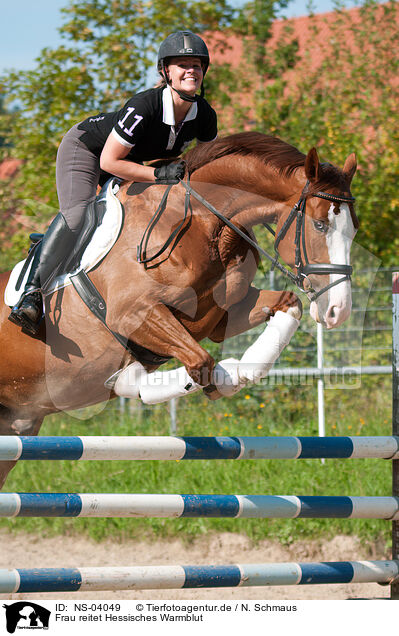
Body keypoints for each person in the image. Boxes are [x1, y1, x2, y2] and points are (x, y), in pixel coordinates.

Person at [9, 30, 218, 334]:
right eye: (182, 65)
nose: (191, 71)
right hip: (89, 149)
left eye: (196, 65)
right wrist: (158, 175)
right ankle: (31, 293)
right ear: (166, 72)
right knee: (78, 214)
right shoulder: (144, 106)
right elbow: (109, 162)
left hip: (130, 162)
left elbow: (207, 165)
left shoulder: (205, 115)